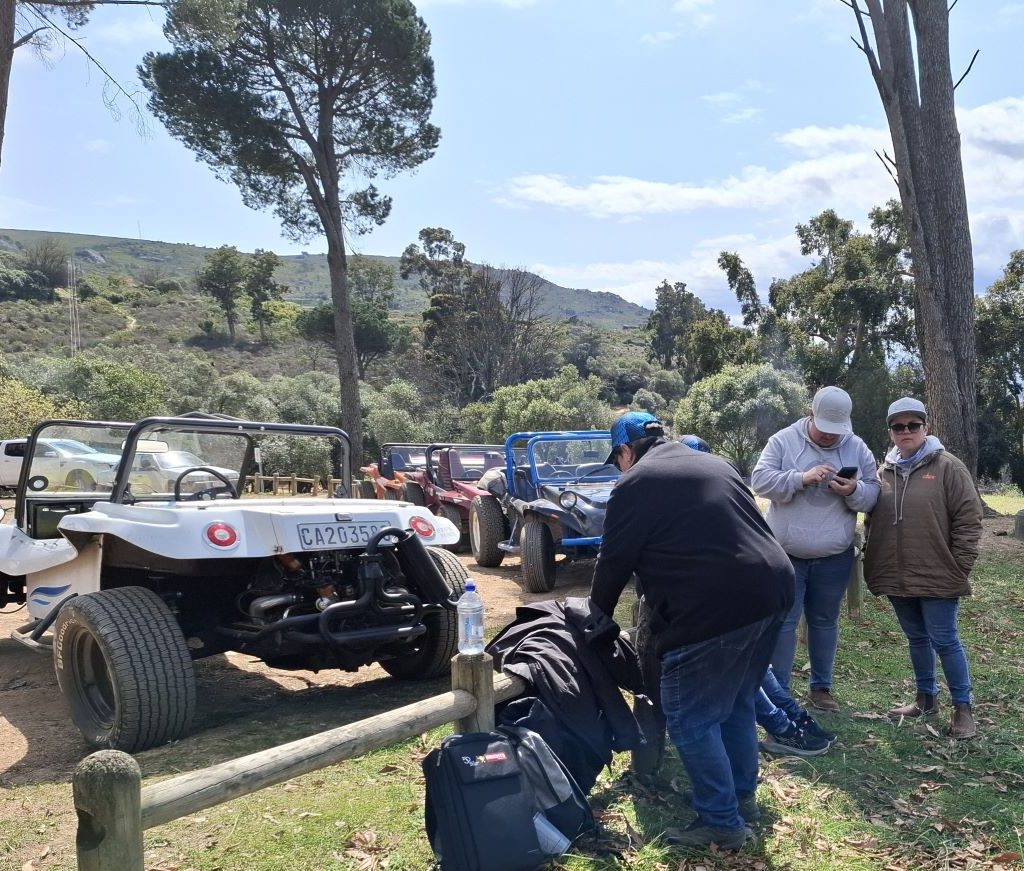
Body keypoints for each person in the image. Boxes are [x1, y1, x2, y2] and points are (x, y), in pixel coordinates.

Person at [589, 411, 794, 850]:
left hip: (716, 604)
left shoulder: (635, 482)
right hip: (773, 590)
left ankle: (721, 822)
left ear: (626, 451)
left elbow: (613, 560)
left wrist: (596, 617)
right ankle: (742, 800)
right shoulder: (716, 463)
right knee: (737, 700)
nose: (619, 468)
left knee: (690, 718)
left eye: (617, 460)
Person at [681, 432, 837, 757]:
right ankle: (796, 720)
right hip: (757, 591)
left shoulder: (688, 501)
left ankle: (783, 727)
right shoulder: (729, 488)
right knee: (755, 668)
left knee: (735, 674)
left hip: (722, 603)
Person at [751, 386, 880, 712]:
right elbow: (760, 481)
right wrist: (800, 478)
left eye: (836, 432)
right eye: (824, 430)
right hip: (785, 555)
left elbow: (873, 494)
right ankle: (779, 693)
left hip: (833, 556)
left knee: (824, 621)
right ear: (811, 414)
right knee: (783, 623)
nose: (829, 438)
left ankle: (821, 689)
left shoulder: (857, 447)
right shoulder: (783, 440)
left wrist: (853, 490)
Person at [863, 397, 983, 739]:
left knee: (945, 640)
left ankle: (963, 708)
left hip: (938, 574)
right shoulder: (883, 472)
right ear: (891, 433)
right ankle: (926, 699)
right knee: (917, 638)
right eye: (898, 427)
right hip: (896, 573)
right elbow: (871, 519)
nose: (906, 432)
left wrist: (959, 565)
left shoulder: (948, 466)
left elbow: (969, 519)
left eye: (912, 425)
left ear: (925, 428)